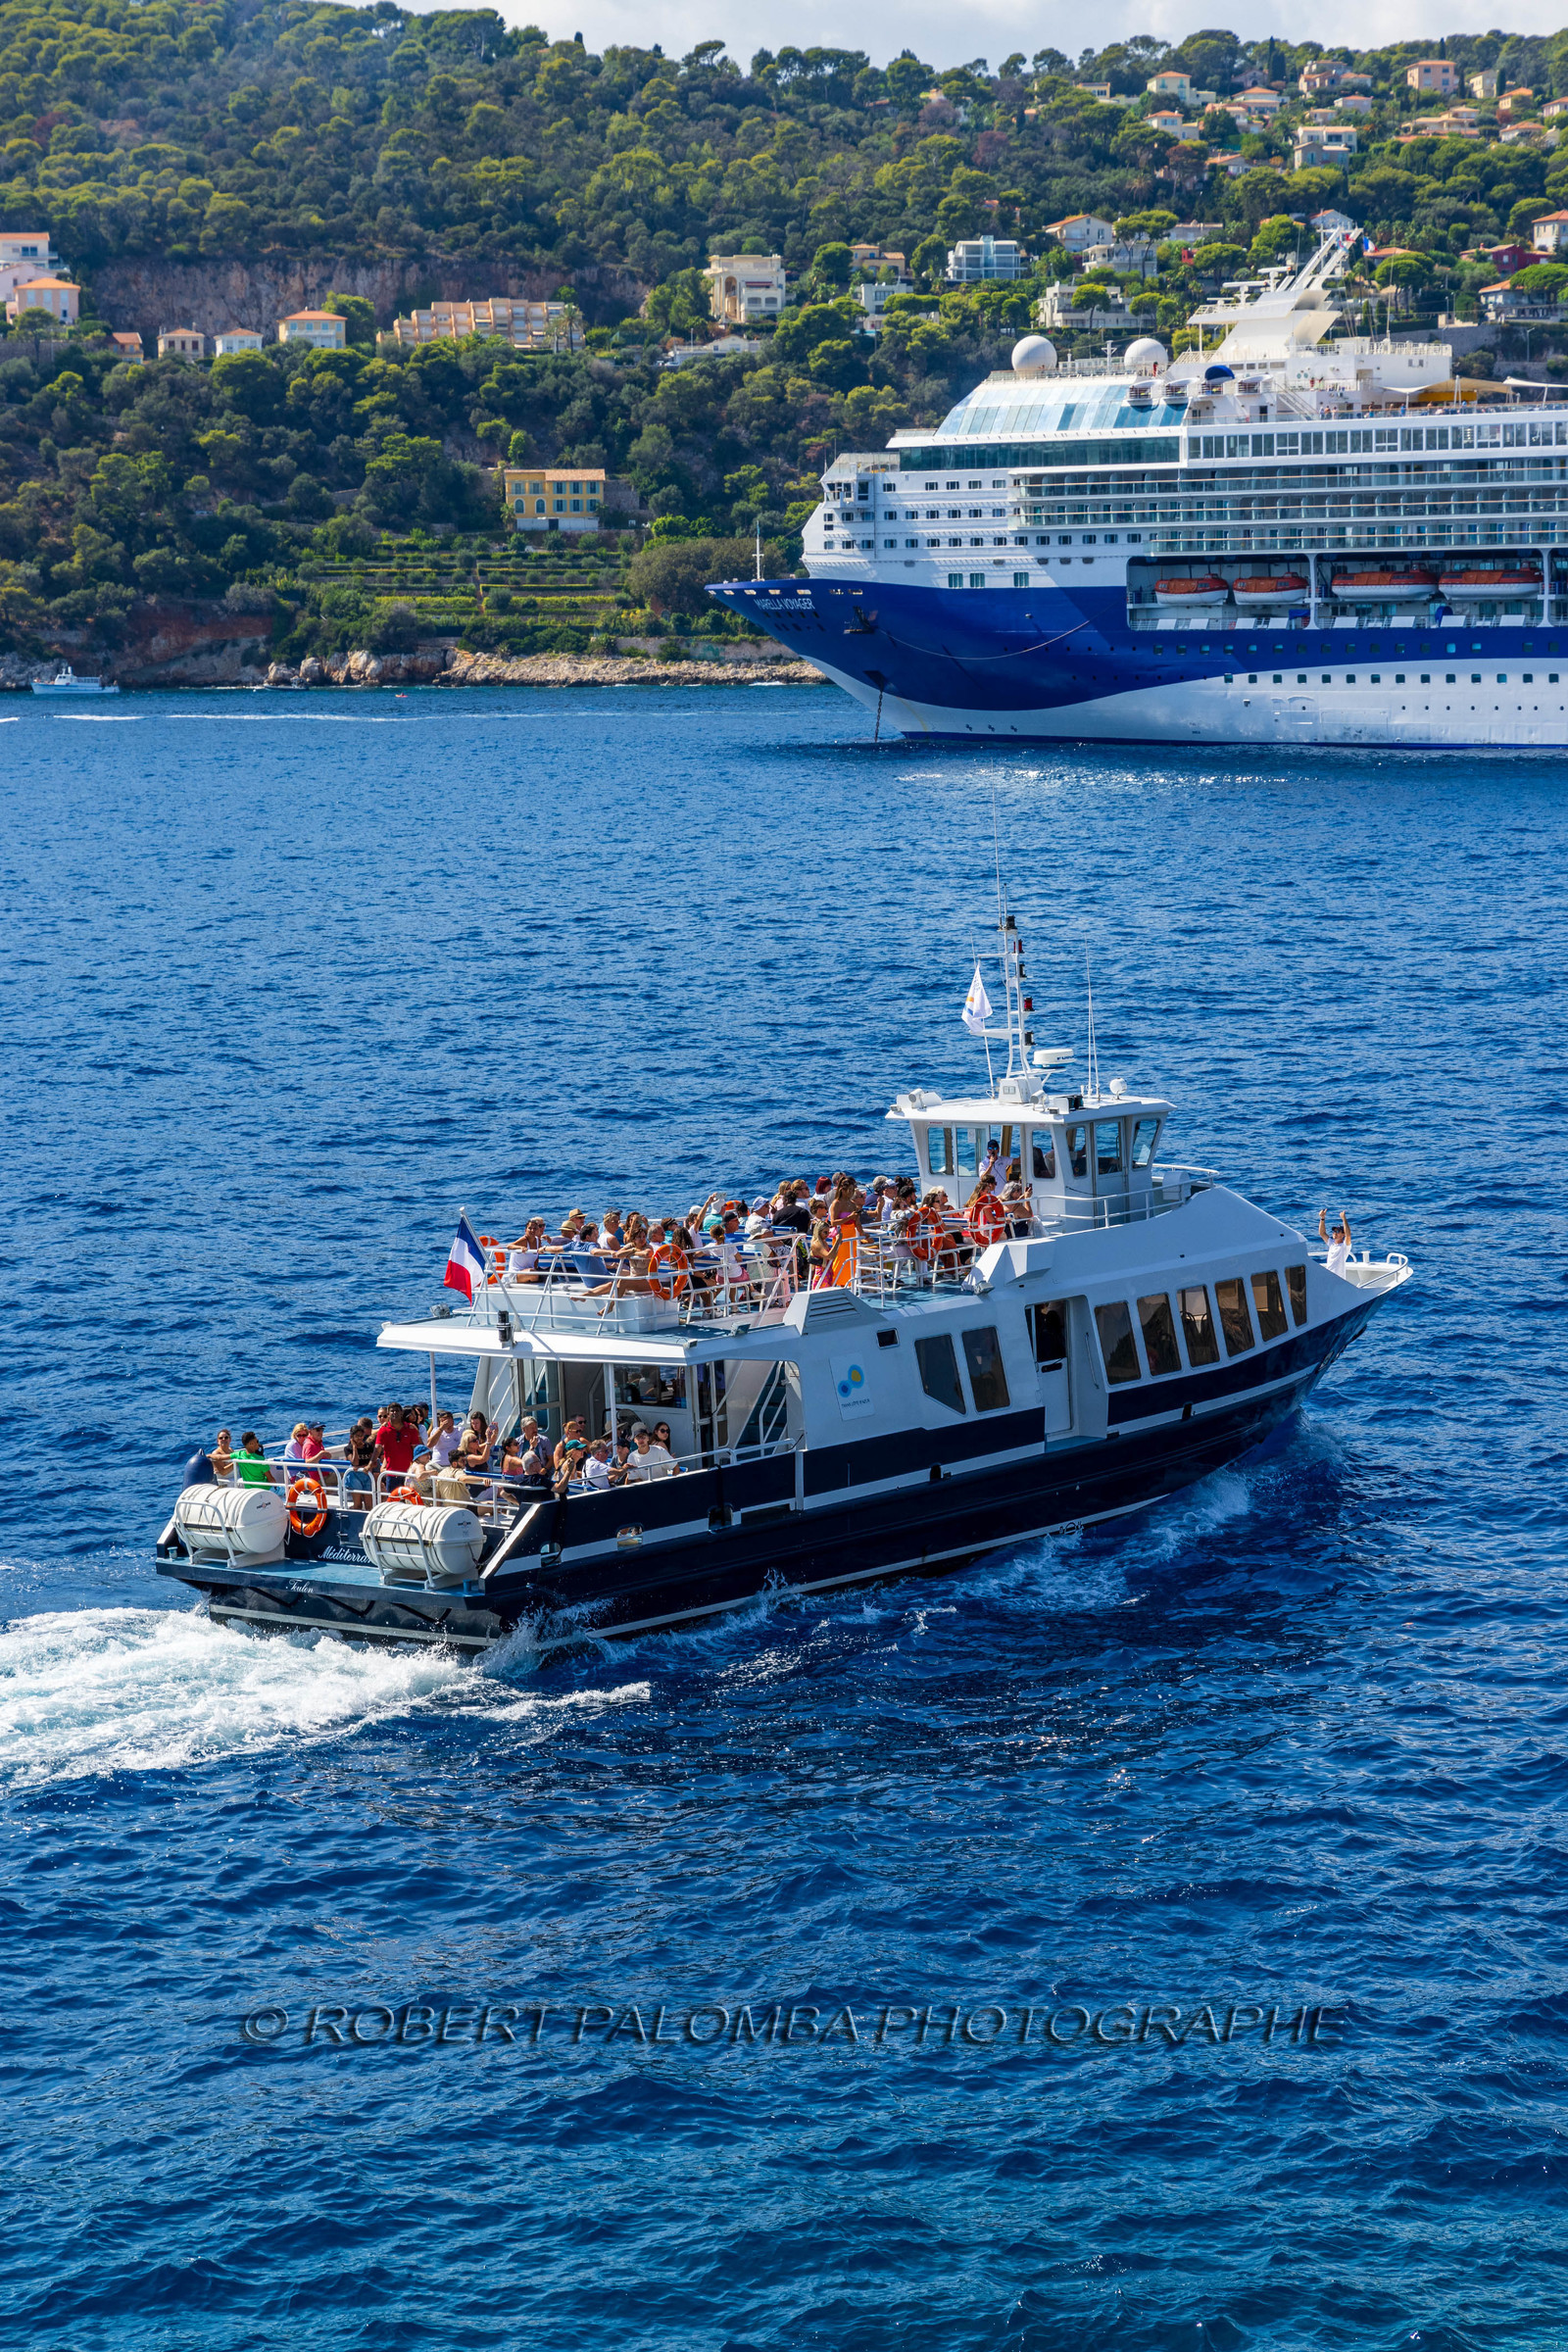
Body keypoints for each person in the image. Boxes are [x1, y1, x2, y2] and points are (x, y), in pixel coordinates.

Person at [374, 1403, 417, 1482]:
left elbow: (416, 1449)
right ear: (388, 1414)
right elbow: (377, 1448)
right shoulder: (383, 1430)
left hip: (409, 1473)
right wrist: (370, 1464)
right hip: (392, 1475)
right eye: (392, 1411)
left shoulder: (411, 1429)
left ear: (401, 1413)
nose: (394, 1413)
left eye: (397, 1411)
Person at [1320, 1206, 1352, 1278]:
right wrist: (1322, 1218)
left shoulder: (1344, 1246)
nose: (1335, 1233)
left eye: (1337, 1231)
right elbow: (1322, 1233)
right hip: (1328, 1277)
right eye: (1334, 1231)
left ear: (1343, 1234)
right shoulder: (1331, 1243)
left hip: (1338, 1279)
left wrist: (1344, 1220)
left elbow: (1348, 1235)